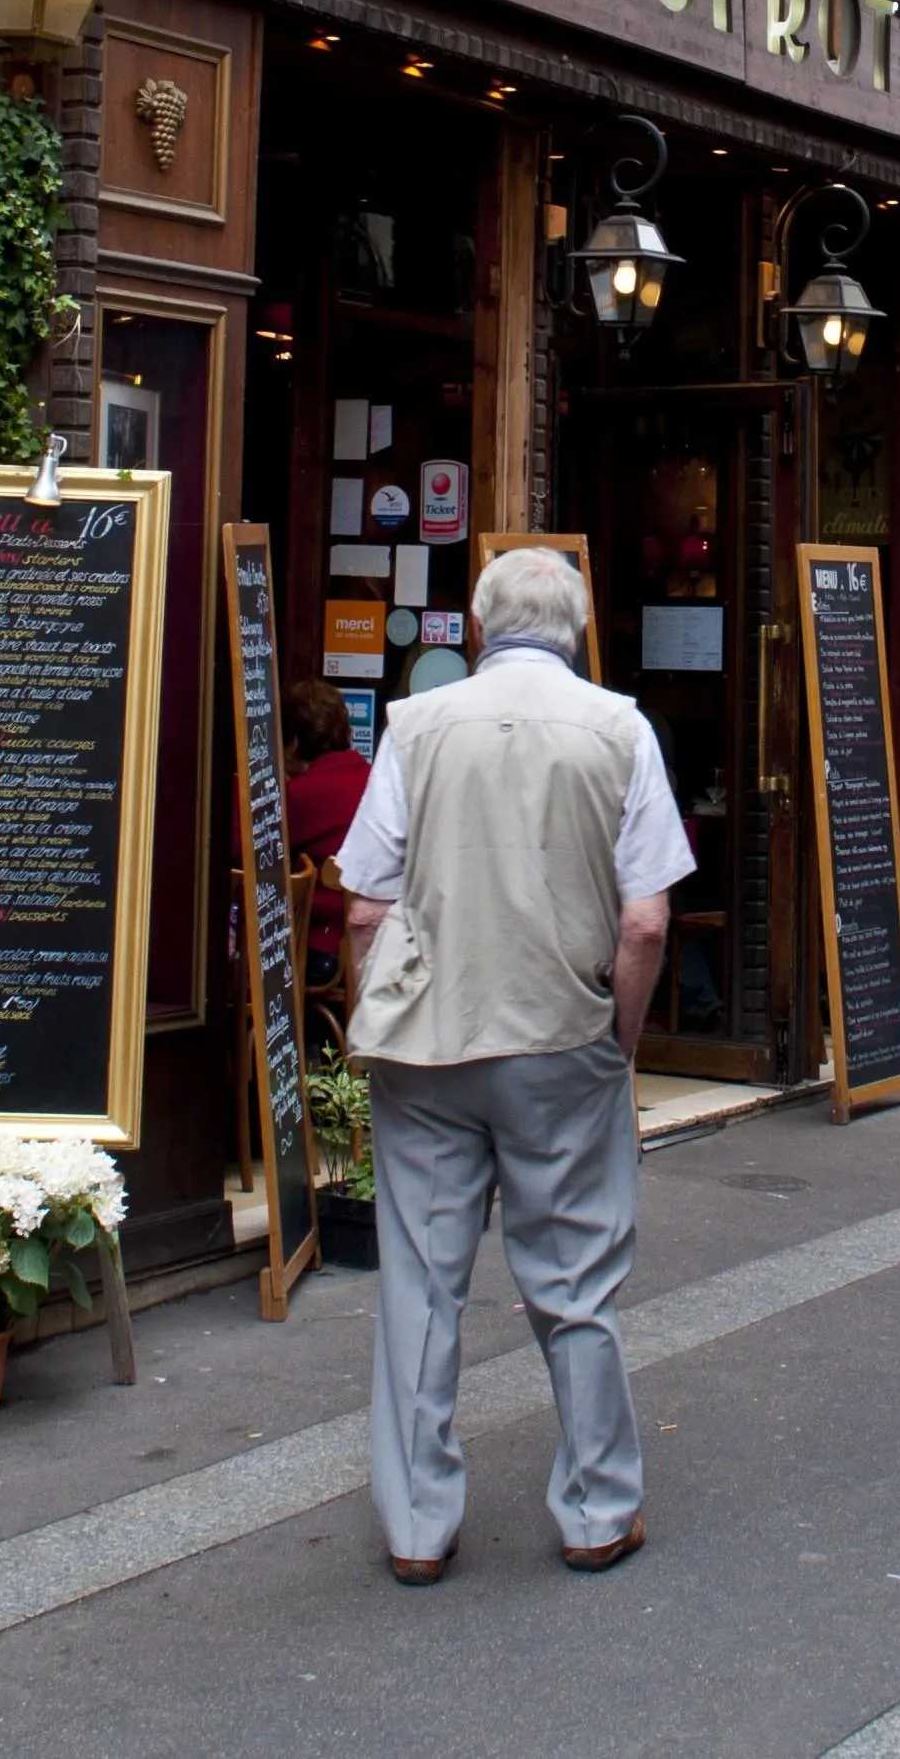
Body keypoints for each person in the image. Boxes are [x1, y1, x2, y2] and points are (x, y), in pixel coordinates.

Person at [335, 548, 688, 1585]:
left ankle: (415, 1528)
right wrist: (616, 1045)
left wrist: (379, 1014)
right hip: (559, 1039)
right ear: (575, 629)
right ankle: (594, 1509)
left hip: (428, 1048)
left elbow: (363, 901)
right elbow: (643, 922)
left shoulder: (414, 728)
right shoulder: (619, 729)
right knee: (574, 1282)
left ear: (478, 627)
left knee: (420, 1283)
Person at [286, 677, 371, 1006]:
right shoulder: (373, 778)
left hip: (326, 955)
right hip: (376, 948)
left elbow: (238, 848)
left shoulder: (301, 795)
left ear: (292, 742)